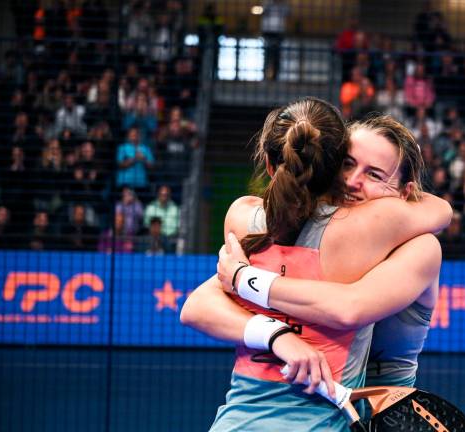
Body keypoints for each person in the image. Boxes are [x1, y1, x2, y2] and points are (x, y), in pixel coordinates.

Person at [180, 102, 450, 430]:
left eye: (374, 175)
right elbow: (198, 304)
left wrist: (245, 278)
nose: (352, 181)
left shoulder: (417, 246)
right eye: (347, 164)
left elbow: (349, 308)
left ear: (407, 193)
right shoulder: (295, 226)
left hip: (383, 416)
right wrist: (277, 333)